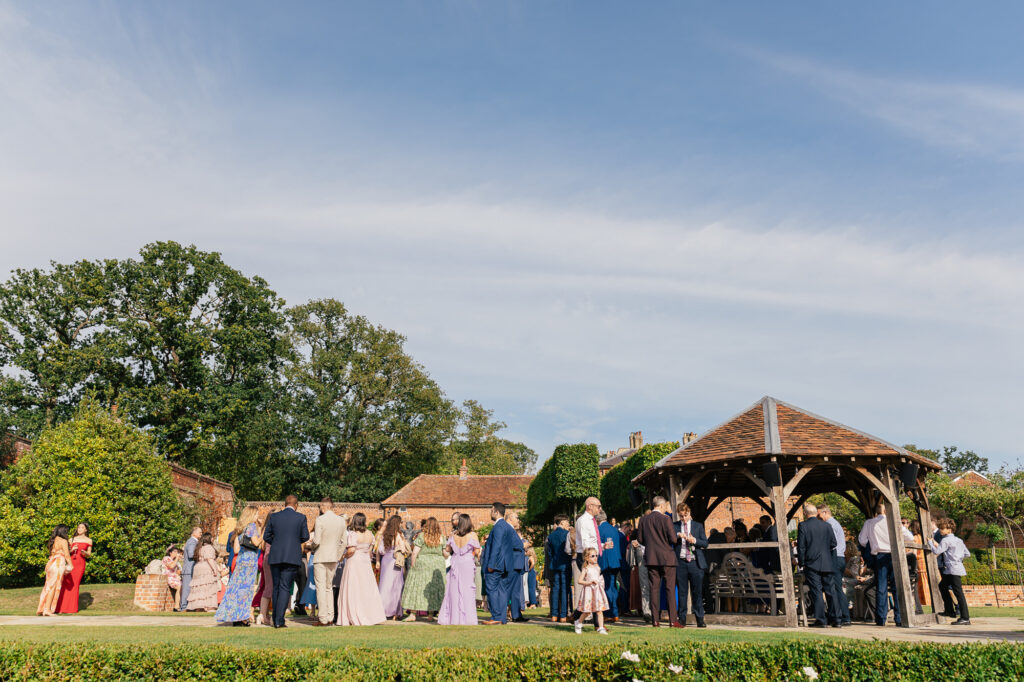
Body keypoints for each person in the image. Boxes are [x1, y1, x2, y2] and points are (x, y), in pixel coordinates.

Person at [858, 505, 914, 627]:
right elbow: (910, 537)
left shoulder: (869, 523)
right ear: (885, 511)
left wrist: (872, 542)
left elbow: (862, 540)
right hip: (894, 555)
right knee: (896, 587)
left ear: (876, 512)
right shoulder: (893, 521)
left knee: (881, 587)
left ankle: (881, 618)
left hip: (879, 555)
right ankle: (899, 618)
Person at [262, 494, 311, 628]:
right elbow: (305, 536)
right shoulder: (301, 517)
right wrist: (294, 542)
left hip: (276, 556)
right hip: (291, 556)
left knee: (276, 587)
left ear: (285, 504)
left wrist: (277, 542)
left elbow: (266, 536)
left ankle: (275, 619)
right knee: (284, 587)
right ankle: (279, 620)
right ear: (296, 505)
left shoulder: (275, 517)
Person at [636, 496, 681, 628]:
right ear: (661, 506)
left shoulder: (643, 520)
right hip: (667, 557)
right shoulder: (666, 519)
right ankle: (673, 621)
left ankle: (655, 620)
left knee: (653, 589)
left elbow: (640, 539)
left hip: (651, 557)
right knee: (670, 589)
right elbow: (673, 539)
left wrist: (651, 545)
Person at [336, 512, 387, 626]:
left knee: (353, 588)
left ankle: (353, 615)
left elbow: (351, 550)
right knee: (366, 589)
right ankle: (369, 614)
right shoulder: (370, 533)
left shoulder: (353, 534)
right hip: (365, 563)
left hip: (354, 562)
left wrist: (342, 556)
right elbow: (370, 550)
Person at [216, 507, 264, 626]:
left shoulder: (239, 529)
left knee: (236, 588)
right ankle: (243, 617)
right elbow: (257, 543)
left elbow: (236, 549)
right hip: (250, 560)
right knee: (246, 590)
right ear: (252, 514)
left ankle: (235, 617)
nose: (258, 516)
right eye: (257, 514)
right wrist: (263, 530)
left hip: (241, 559)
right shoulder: (251, 527)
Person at [480, 502, 524, 625]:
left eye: (491, 510)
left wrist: (491, 564)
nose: (490, 512)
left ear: (496, 511)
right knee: (502, 591)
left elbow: (497, 546)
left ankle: (496, 616)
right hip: (506, 565)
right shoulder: (506, 526)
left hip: (496, 565)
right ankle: (501, 618)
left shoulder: (499, 526)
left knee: (492, 589)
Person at [797, 503, 838, 628]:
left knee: (817, 592)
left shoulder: (803, 525)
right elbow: (833, 543)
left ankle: (821, 619)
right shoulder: (826, 525)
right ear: (816, 513)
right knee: (831, 591)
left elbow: (801, 546)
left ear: (805, 514)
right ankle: (836, 619)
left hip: (812, 563)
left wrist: (801, 563)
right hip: (827, 562)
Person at [309, 498, 347, 626]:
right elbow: (344, 542)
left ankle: (323, 618)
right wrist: (338, 555)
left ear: (323, 506)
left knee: (320, 587)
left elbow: (317, 540)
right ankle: (330, 617)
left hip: (320, 556)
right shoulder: (341, 520)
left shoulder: (320, 519)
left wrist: (311, 547)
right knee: (329, 587)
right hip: (333, 557)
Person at [438, 513, 481, 625]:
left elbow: (447, 549)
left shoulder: (453, 536)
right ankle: (468, 619)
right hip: (467, 563)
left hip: (456, 562)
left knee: (454, 590)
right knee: (467, 590)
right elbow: (476, 552)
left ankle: (454, 618)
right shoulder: (473, 535)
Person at [401, 517, 447, 621]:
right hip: (437, 565)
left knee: (416, 587)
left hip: (422, 563)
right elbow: (445, 554)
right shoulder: (442, 537)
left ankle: (412, 614)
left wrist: (413, 564)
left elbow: (415, 552)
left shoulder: (422, 536)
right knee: (434, 588)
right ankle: (431, 615)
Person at [929, 518, 971, 625]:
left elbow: (936, 551)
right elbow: (967, 554)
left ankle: (965, 617)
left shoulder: (946, 540)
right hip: (956, 568)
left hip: (952, 569)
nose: (941, 531)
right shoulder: (959, 540)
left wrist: (930, 542)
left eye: (943, 529)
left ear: (950, 529)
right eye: (940, 528)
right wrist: (957, 558)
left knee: (958, 593)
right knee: (943, 586)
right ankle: (949, 611)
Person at [674, 503, 708, 628]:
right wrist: (677, 535)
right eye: (681, 516)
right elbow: (669, 539)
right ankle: (682, 619)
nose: (684, 519)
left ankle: (700, 618)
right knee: (682, 592)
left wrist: (695, 541)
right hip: (681, 562)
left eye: (685, 515)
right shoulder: (675, 526)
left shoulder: (698, 526)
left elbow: (705, 543)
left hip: (695, 562)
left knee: (697, 592)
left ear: (689, 512)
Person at [817, 504, 851, 626]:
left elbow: (830, 543)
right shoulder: (835, 523)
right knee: (836, 588)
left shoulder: (830, 525)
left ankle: (844, 616)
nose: (818, 517)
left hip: (835, 558)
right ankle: (839, 615)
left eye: (819, 514)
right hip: (839, 557)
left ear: (825, 512)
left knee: (836, 589)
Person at [375, 515, 409, 620]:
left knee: (384, 585)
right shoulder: (398, 535)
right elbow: (403, 550)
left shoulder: (384, 535)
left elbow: (379, 550)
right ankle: (395, 611)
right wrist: (403, 541)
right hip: (395, 561)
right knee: (396, 586)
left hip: (385, 560)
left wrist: (377, 561)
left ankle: (381, 610)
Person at [56, 522, 93, 614]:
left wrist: (85, 553)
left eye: (82, 527)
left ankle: (71, 609)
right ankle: (60, 608)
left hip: (80, 563)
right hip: (70, 563)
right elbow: (65, 552)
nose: (79, 529)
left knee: (75, 585)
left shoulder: (89, 540)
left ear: (86, 530)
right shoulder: (71, 539)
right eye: (78, 527)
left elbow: (89, 554)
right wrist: (71, 550)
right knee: (65, 584)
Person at [37, 525, 72, 616]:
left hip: (51, 564)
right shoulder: (63, 541)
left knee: (48, 586)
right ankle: (47, 610)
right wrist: (71, 565)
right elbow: (67, 555)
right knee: (54, 586)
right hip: (58, 563)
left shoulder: (53, 540)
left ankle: (44, 608)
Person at [573, 548, 609, 635]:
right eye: (593, 556)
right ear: (587, 558)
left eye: (596, 555)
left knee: (599, 610)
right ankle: (579, 622)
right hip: (589, 591)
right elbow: (580, 581)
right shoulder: (586, 569)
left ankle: (601, 628)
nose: (595, 557)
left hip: (597, 591)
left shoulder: (597, 567)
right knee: (587, 611)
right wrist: (589, 582)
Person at [544, 514, 573, 622]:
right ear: (561, 522)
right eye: (566, 522)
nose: (568, 524)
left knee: (555, 589)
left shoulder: (551, 536)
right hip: (565, 565)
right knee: (565, 589)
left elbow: (549, 552)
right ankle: (563, 615)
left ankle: (554, 614)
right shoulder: (567, 534)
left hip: (555, 565)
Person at [596, 512, 621, 623]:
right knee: (613, 587)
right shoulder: (614, 529)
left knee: (607, 588)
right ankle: (615, 613)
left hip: (606, 562)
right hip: (616, 561)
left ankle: (610, 613)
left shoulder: (600, 530)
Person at [185, 532, 220, 611]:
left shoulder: (200, 548)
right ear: (210, 539)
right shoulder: (209, 547)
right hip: (206, 568)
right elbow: (209, 559)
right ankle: (209, 606)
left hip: (198, 568)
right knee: (208, 587)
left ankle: (199, 607)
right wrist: (215, 570)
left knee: (199, 587)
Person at [178, 527, 202, 611]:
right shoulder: (192, 542)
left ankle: (188, 607)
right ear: (194, 533)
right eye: (199, 532)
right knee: (187, 589)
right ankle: (183, 607)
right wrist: (201, 555)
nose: (201, 534)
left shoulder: (194, 541)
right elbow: (191, 555)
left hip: (191, 569)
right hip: (189, 569)